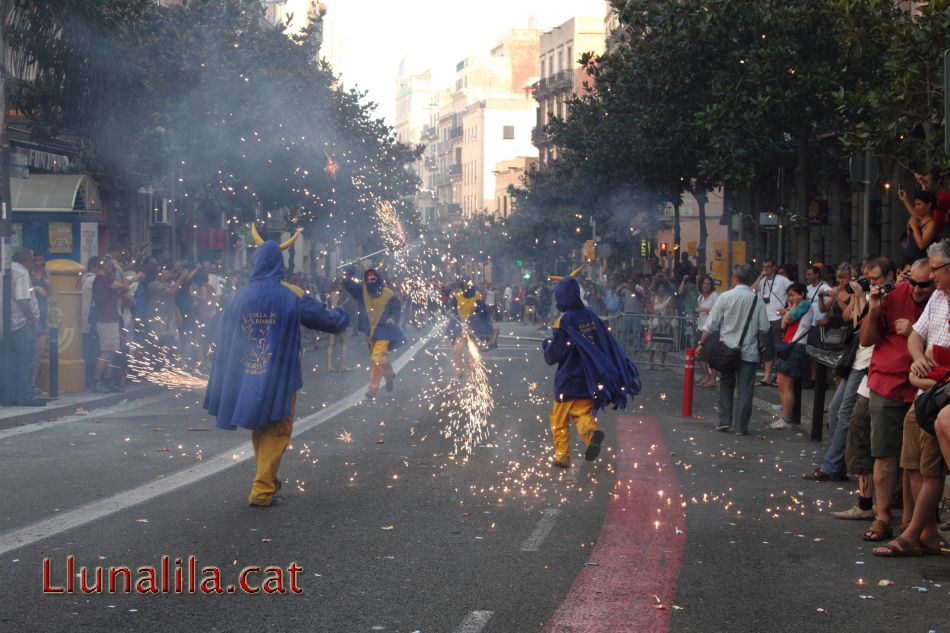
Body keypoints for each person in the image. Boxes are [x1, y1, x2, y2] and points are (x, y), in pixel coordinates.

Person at [204, 239, 348, 507]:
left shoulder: (239, 295)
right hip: (278, 375)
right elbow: (326, 319)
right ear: (279, 265)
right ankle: (262, 489)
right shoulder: (289, 293)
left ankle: (266, 476)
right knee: (278, 426)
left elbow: (223, 335)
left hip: (246, 371)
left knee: (261, 424)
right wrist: (343, 313)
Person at [872, 241, 949, 556]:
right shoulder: (938, 298)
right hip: (924, 392)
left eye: (934, 271)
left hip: (939, 394)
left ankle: (911, 534)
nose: (930, 277)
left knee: (931, 468)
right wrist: (917, 358)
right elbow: (917, 335)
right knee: (913, 465)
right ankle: (926, 533)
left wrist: (926, 373)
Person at [858, 257, 934, 542]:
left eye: (923, 285)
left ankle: (912, 522)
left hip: (923, 387)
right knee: (885, 453)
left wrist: (912, 331)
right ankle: (882, 517)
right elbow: (866, 340)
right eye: (912, 282)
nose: (916, 289)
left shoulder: (939, 299)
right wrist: (875, 310)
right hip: (888, 383)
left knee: (915, 460)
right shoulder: (895, 294)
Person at [542, 275, 640, 468]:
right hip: (589, 378)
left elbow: (554, 355)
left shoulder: (564, 321)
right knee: (582, 414)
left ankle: (562, 456)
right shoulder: (589, 315)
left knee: (559, 418)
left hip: (568, 379)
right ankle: (591, 434)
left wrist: (547, 345)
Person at [803, 275, 869, 482]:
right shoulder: (861, 298)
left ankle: (832, 466)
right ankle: (837, 463)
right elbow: (850, 317)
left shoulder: (878, 299)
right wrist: (856, 297)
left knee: (844, 413)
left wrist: (862, 298)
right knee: (834, 411)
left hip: (866, 361)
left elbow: (863, 326)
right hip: (854, 359)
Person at [696, 264, 770, 435]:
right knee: (745, 390)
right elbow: (764, 327)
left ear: (735, 278)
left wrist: (701, 344)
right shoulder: (757, 300)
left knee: (726, 386)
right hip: (749, 352)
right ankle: (741, 427)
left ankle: (724, 421)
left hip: (727, 351)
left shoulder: (725, 297)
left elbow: (711, 324)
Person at [342, 268, 405, 400]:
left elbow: (396, 309)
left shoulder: (388, 294)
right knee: (382, 359)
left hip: (384, 330)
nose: (370, 282)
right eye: (368, 279)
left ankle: (373, 388)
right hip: (369, 331)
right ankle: (389, 376)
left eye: (373, 279)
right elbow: (347, 284)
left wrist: (393, 319)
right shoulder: (362, 291)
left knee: (376, 358)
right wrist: (350, 270)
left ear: (379, 280)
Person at [2, 249, 44, 406]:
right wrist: (31, 317)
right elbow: (22, 300)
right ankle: (25, 396)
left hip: (6, 325)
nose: (34, 263)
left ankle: (9, 396)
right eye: (33, 260)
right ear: (27, 259)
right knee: (26, 361)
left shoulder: (5, 269)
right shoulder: (21, 272)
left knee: (10, 362)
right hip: (21, 323)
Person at [769, 283, 814, 429]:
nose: (790, 298)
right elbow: (783, 324)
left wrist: (790, 308)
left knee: (786, 383)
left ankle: (787, 419)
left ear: (801, 294)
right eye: (789, 295)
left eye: (793, 295)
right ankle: (786, 414)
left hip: (796, 346)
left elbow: (787, 320)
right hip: (789, 345)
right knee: (782, 382)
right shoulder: (797, 305)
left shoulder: (805, 304)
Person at [752, 258, 791, 386]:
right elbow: (751, 290)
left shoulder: (782, 280)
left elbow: (795, 293)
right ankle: (767, 376)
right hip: (764, 319)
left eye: (768, 267)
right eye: (764, 267)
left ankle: (778, 376)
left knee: (778, 348)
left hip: (777, 318)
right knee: (766, 349)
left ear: (774, 267)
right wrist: (760, 277)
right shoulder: (762, 281)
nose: (766, 269)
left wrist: (787, 309)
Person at [446, 276, 496, 377]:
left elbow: (481, 310)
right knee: (457, 350)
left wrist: (473, 322)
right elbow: (452, 308)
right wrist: (451, 312)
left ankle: (472, 373)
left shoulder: (477, 296)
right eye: (463, 285)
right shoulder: (457, 296)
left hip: (474, 328)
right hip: (459, 328)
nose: (465, 287)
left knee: (472, 352)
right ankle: (458, 371)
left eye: (467, 284)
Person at [694, 276, 720, 387]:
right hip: (701, 327)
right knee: (699, 354)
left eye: (708, 284)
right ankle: (706, 376)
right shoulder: (700, 297)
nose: (706, 285)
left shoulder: (715, 296)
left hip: (712, 330)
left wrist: (705, 310)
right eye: (704, 283)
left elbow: (717, 312)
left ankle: (713, 378)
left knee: (711, 355)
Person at [901, 190, 938, 262]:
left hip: (922, 263)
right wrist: (905, 199)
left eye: (919, 204)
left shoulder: (931, 223)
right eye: (915, 205)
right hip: (910, 261)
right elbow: (913, 213)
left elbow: (922, 245)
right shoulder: (919, 219)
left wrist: (914, 228)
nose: (916, 207)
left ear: (929, 204)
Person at [646, 281, 675, 369]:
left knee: (664, 345)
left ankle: (662, 364)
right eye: (660, 288)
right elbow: (650, 309)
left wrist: (668, 321)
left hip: (665, 325)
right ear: (658, 289)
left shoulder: (669, 299)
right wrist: (653, 312)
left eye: (663, 288)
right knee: (651, 344)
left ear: (665, 289)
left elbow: (672, 312)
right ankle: (650, 364)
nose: (661, 289)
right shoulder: (654, 297)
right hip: (654, 324)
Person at [325, 282, 352, 372]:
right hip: (339, 319)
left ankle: (329, 366)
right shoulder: (340, 295)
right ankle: (343, 365)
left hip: (331, 320)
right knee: (343, 342)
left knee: (330, 344)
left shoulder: (329, 297)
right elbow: (341, 307)